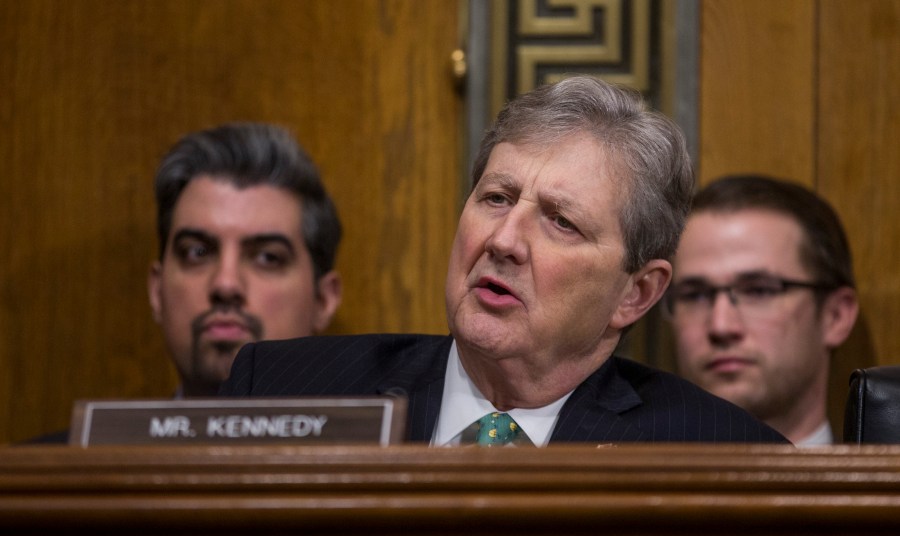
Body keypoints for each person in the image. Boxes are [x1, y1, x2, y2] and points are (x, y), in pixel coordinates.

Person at [221, 77, 786, 445]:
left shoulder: (721, 452)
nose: (505, 240)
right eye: (497, 198)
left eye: (560, 222)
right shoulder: (277, 391)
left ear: (635, 293)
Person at [148, 122, 343, 397]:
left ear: (323, 301)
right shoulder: (79, 442)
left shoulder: (399, 441)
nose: (226, 285)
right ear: (156, 292)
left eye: (268, 257)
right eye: (197, 252)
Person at [665, 175, 859, 445]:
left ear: (835, 316)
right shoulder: (625, 485)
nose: (721, 326)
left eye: (758, 291)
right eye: (694, 295)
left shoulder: (883, 487)